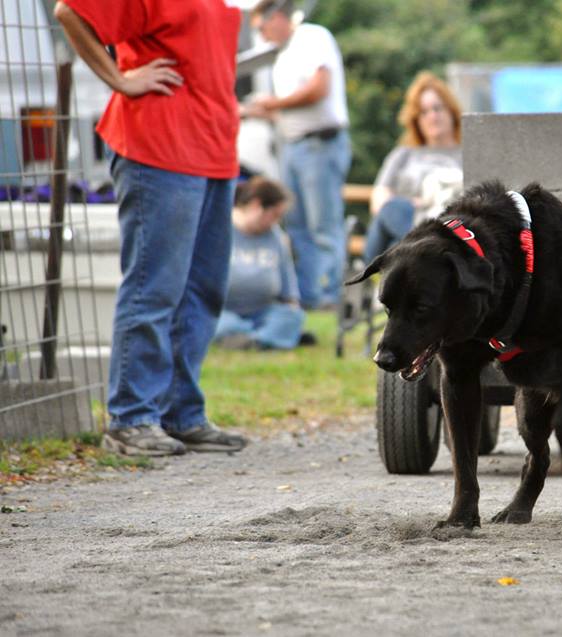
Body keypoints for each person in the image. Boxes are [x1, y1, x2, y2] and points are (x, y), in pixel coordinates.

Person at [54, 0, 248, 455]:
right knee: (153, 287)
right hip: (159, 148)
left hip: (214, 149)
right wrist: (120, 79)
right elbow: (69, 12)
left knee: (203, 290)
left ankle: (180, 413)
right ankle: (132, 417)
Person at [244, 0, 351, 310]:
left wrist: (273, 104)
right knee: (297, 226)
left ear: (276, 16)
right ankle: (309, 298)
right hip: (292, 146)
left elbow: (319, 89)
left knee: (323, 226)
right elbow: (289, 109)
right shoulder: (283, 55)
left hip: (320, 145)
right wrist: (254, 111)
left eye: (262, 28)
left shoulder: (312, 37)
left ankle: (332, 297)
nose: (263, 37)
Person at [363, 71, 464, 264]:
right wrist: (415, 204)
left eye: (437, 108)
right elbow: (380, 202)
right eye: (424, 112)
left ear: (451, 111)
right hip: (409, 221)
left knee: (396, 244)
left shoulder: (468, 154)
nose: (432, 116)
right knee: (392, 208)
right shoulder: (403, 155)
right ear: (416, 120)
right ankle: (429, 247)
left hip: (447, 223)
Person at [214, 177, 305, 351]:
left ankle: (249, 339)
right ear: (256, 206)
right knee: (216, 323)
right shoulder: (220, 229)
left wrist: (292, 306)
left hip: (263, 311)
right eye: (275, 215)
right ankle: (268, 338)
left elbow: (288, 285)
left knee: (291, 317)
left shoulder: (276, 236)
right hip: (224, 311)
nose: (276, 222)